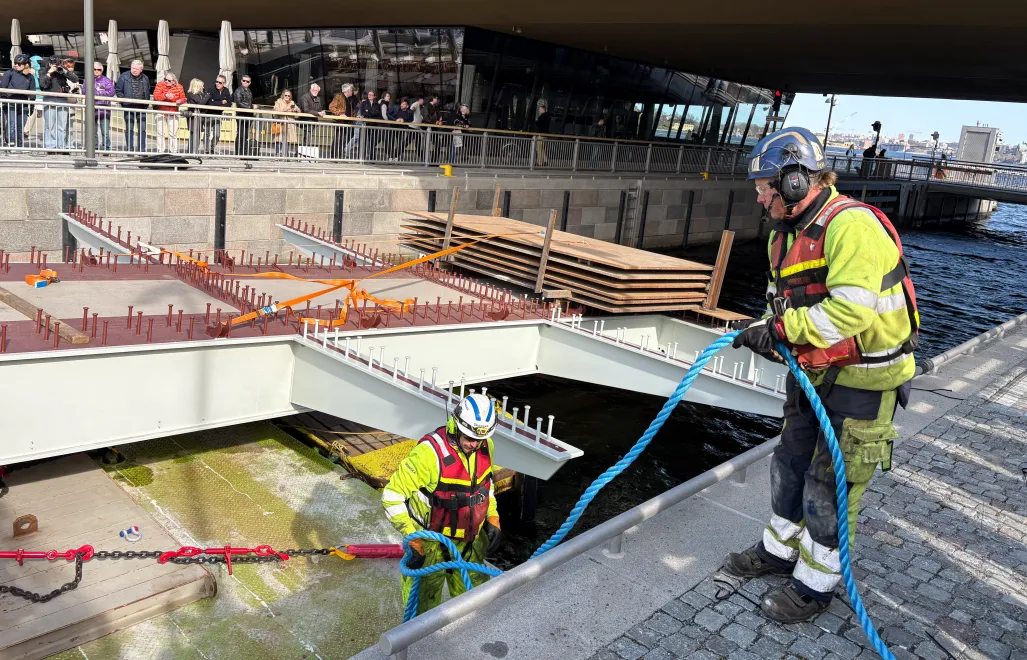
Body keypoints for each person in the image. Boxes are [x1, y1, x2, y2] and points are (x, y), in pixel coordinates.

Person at [724, 126, 918, 623]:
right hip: (814, 373)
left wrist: (783, 331)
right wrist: (772, 334)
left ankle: (815, 586)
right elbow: (785, 301)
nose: (759, 195)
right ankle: (778, 551)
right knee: (789, 464)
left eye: (764, 186)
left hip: (862, 380)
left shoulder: (850, 227)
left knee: (830, 482)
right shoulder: (782, 236)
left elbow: (851, 313)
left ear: (793, 182)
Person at [381, 393, 502, 615]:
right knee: (422, 609)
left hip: (469, 543)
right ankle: (423, 646)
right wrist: (412, 537)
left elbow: (486, 485)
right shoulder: (428, 454)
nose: (473, 444)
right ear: (456, 424)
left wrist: (493, 516)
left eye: (479, 440)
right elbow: (392, 496)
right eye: (468, 437)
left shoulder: (487, 447)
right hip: (429, 543)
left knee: (476, 602)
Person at [39, 56, 79, 150]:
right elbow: (43, 85)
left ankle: (62, 146)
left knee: (63, 125)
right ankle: (50, 146)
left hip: (62, 98)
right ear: (49, 64)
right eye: (54, 65)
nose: (56, 66)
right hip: (49, 98)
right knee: (50, 125)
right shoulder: (43, 71)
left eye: (57, 64)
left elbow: (75, 79)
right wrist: (50, 72)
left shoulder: (62, 70)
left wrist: (64, 71)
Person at [0, 54, 37, 148]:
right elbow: (3, 87)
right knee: (12, 124)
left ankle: (19, 144)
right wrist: (4, 101)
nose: (16, 65)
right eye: (15, 63)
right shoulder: (9, 73)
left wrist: (31, 106)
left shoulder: (30, 77)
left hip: (23, 103)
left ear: (25, 65)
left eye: (19, 64)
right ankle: (10, 143)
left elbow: (32, 92)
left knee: (21, 126)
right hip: (10, 102)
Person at [115, 60, 151, 152]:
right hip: (128, 106)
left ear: (141, 70)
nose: (134, 70)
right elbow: (118, 90)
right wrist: (124, 102)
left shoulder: (145, 78)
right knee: (129, 129)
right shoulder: (124, 76)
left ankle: (141, 150)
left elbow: (148, 90)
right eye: (133, 68)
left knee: (142, 129)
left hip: (142, 107)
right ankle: (130, 150)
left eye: (137, 69)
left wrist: (146, 103)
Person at [152, 73, 185, 153]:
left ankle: (173, 151)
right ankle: (160, 151)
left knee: (173, 133)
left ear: (174, 81)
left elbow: (183, 98)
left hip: (173, 112)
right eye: (165, 79)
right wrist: (165, 95)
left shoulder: (179, 87)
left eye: (169, 80)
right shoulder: (160, 85)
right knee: (160, 133)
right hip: (161, 111)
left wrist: (180, 101)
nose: (166, 81)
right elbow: (156, 96)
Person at [204, 75, 232, 153]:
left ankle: (212, 148)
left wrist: (216, 102)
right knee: (207, 133)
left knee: (217, 135)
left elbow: (229, 104)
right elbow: (209, 103)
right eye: (216, 81)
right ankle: (206, 150)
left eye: (220, 82)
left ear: (224, 83)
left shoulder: (226, 90)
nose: (217, 84)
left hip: (218, 115)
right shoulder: (211, 89)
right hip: (209, 114)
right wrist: (221, 102)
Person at [91, 62, 115, 151]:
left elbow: (111, 92)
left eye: (99, 69)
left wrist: (96, 93)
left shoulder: (107, 80)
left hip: (104, 109)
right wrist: (101, 92)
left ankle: (106, 148)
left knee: (105, 131)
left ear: (102, 70)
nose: (96, 71)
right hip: (91, 109)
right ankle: (94, 147)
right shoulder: (88, 79)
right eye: (94, 69)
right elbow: (85, 91)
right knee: (92, 131)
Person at [184, 78, 210, 154]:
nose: (203, 87)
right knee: (193, 135)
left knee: (197, 135)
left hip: (199, 118)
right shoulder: (192, 95)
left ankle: (194, 151)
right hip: (193, 118)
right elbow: (200, 104)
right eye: (202, 86)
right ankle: (191, 151)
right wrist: (207, 96)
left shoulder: (200, 94)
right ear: (197, 86)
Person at [272, 89, 300, 157]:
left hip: (290, 123)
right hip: (280, 123)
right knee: (279, 139)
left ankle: (286, 154)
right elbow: (276, 109)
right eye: (286, 95)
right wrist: (286, 109)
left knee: (288, 139)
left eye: (289, 95)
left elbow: (299, 111)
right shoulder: (278, 101)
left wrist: (295, 109)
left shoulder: (292, 102)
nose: (287, 97)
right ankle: (277, 153)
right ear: (283, 95)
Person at [232, 74, 254, 156]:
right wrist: (251, 107)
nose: (245, 82)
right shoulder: (238, 90)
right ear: (241, 81)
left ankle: (243, 151)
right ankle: (238, 152)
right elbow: (239, 103)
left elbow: (249, 102)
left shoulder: (249, 91)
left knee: (245, 134)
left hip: (248, 115)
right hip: (241, 115)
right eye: (244, 80)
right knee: (241, 134)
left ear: (250, 83)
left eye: (247, 81)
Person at [298, 83, 326, 150]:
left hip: (313, 121)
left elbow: (319, 109)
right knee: (307, 138)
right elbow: (306, 110)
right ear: (311, 89)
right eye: (314, 90)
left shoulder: (318, 99)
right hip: (306, 121)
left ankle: (302, 153)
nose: (315, 92)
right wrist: (318, 113)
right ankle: (304, 154)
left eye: (317, 91)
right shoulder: (305, 97)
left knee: (308, 138)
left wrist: (322, 112)